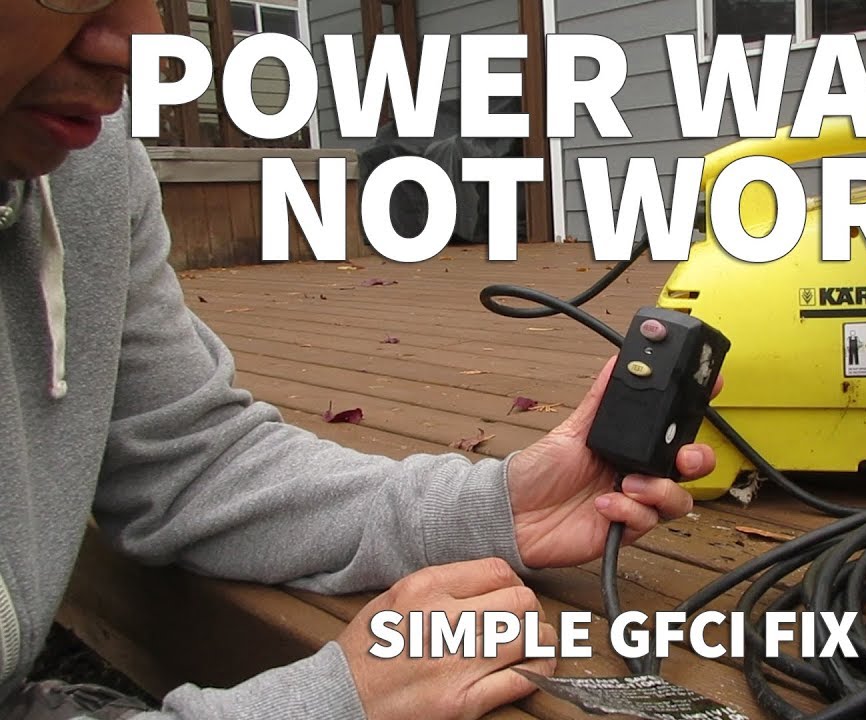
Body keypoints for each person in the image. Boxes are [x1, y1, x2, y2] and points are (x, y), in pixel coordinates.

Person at [0, 2, 719, 719]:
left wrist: (494, 508)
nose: (142, 45)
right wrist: (331, 704)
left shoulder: (88, 168)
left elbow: (191, 462)